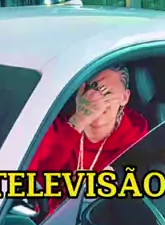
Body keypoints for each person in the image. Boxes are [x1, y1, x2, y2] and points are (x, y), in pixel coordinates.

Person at [29, 66, 149, 214]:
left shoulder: (136, 139)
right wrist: (79, 120)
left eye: (107, 93)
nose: (97, 100)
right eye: (92, 90)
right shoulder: (55, 128)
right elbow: (33, 189)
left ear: (124, 98)